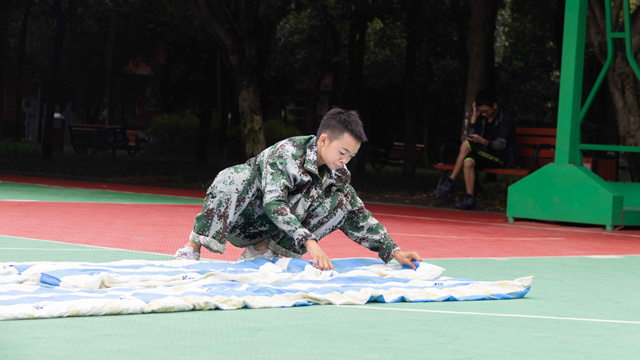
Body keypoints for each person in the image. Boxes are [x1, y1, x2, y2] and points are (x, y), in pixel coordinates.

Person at [173, 108, 422, 271]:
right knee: (235, 176)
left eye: (352, 155)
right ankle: (192, 247)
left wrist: (393, 251)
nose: (345, 160)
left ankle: (262, 252)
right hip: (242, 219)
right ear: (323, 140)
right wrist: (310, 243)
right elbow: (273, 203)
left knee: (343, 202)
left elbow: (358, 215)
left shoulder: (340, 174)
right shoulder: (288, 153)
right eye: (342, 152)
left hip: (273, 234)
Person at [434, 90, 514, 210]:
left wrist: (483, 141)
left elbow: (501, 145)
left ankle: (450, 181)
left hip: (498, 157)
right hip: (483, 154)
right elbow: (469, 137)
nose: (483, 114)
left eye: (485, 111)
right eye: (481, 111)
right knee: (468, 162)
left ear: (495, 106)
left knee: (466, 145)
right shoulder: (481, 118)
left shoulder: (505, 119)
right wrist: (474, 117)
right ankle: (470, 199)